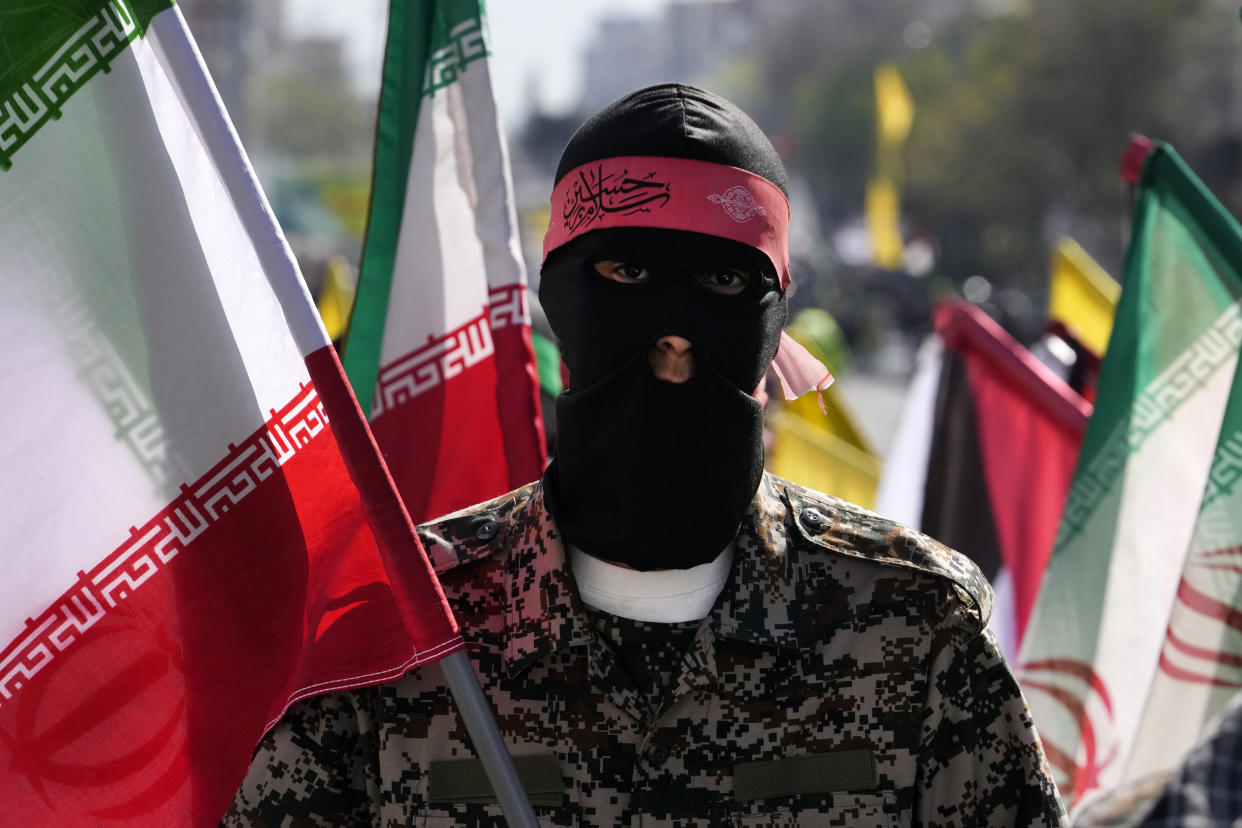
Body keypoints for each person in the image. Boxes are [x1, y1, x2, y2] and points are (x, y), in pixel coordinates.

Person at [223, 83, 1067, 827]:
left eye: (725, 286)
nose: (673, 338)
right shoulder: (398, 624)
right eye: (627, 274)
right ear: (560, 295)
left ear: (774, 317)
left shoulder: (913, 624)